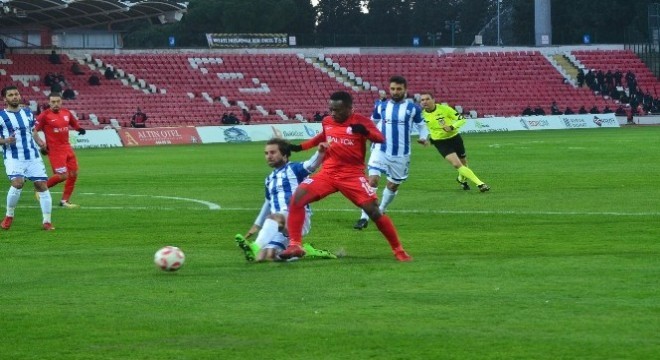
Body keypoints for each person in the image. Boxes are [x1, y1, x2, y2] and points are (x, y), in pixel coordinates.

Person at [278, 91, 413, 262]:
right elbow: (321, 137)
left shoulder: (361, 121)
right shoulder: (327, 121)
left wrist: (365, 131)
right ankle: (295, 245)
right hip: (328, 173)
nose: (333, 113)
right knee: (297, 197)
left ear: (350, 109)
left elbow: (380, 138)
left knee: (373, 211)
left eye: (338, 110)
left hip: (352, 176)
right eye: (331, 109)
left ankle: (398, 250)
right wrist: (298, 147)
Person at [234, 138, 336, 262]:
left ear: (285, 155)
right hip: (278, 224)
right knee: (266, 257)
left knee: (276, 218)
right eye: (266, 153)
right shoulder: (269, 179)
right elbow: (268, 202)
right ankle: (306, 251)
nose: (269, 156)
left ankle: (255, 246)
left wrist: (320, 152)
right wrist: (256, 225)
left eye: (273, 152)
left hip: (297, 218)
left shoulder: (294, 169)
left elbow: (311, 165)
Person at [353, 75, 429, 230]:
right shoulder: (381, 106)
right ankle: (364, 217)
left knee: (393, 185)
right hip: (380, 149)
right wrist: (365, 134)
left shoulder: (413, 108)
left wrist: (423, 137)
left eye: (398, 89)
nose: (395, 92)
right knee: (372, 180)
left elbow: (422, 126)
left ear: (405, 90)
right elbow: (371, 123)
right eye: (393, 89)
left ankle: (380, 210)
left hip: (401, 154)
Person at [0, 85, 55, 230]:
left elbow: (33, 131)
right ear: (5, 99)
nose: (14, 97)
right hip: (13, 157)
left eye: (16, 94)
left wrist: (41, 142)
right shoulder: (1, 117)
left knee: (41, 186)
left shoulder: (28, 113)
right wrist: (5, 141)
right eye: (10, 95)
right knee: (18, 183)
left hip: (32, 156)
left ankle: (47, 221)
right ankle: (9, 216)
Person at [419, 91, 490, 193]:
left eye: (427, 99)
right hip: (440, 142)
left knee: (463, 164)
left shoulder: (444, 109)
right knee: (457, 164)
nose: (424, 101)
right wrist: (423, 139)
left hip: (454, 138)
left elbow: (461, 119)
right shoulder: (421, 115)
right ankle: (480, 184)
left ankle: (461, 180)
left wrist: (452, 127)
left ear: (433, 100)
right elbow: (423, 128)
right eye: (422, 100)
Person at [35, 92, 86, 208]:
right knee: (62, 176)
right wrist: (42, 144)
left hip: (67, 148)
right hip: (55, 150)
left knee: (73, 174)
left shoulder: (66, 113)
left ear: (61, 101)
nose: (56, 104)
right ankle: (40, 188)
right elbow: (34, 130)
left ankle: (64, 201)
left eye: (58, 101)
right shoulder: (44, 115)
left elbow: (74, 123)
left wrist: (79, 129)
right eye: (53, 102)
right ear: (49, 103)